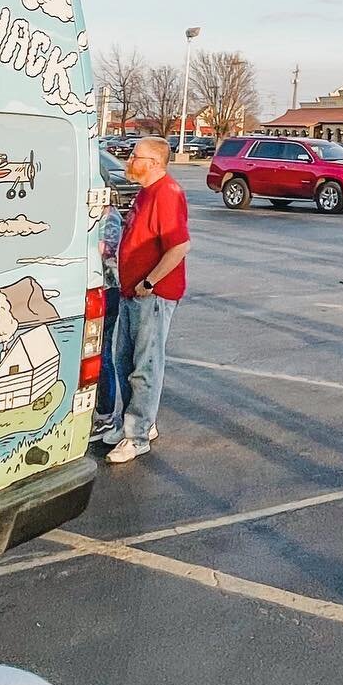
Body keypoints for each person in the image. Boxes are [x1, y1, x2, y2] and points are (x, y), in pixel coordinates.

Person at [98, 138, 191, 463]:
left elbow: (179, 246)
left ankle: (137, 436)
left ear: (153, 162)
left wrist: (150, 281)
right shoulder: (146, 192)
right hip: (132, 291)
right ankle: (136, 424)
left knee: (145, 365)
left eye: (135, 155)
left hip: (152, 296)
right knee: (124, 360)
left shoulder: (167, 193)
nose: (129, 159)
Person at [92, 202, 124, 431]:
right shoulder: (97, 215)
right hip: (98, 288)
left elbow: (107, 251)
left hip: (107, 289)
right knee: (97, 352)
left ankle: (105, 414)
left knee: (102, 352)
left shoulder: (109, 217)